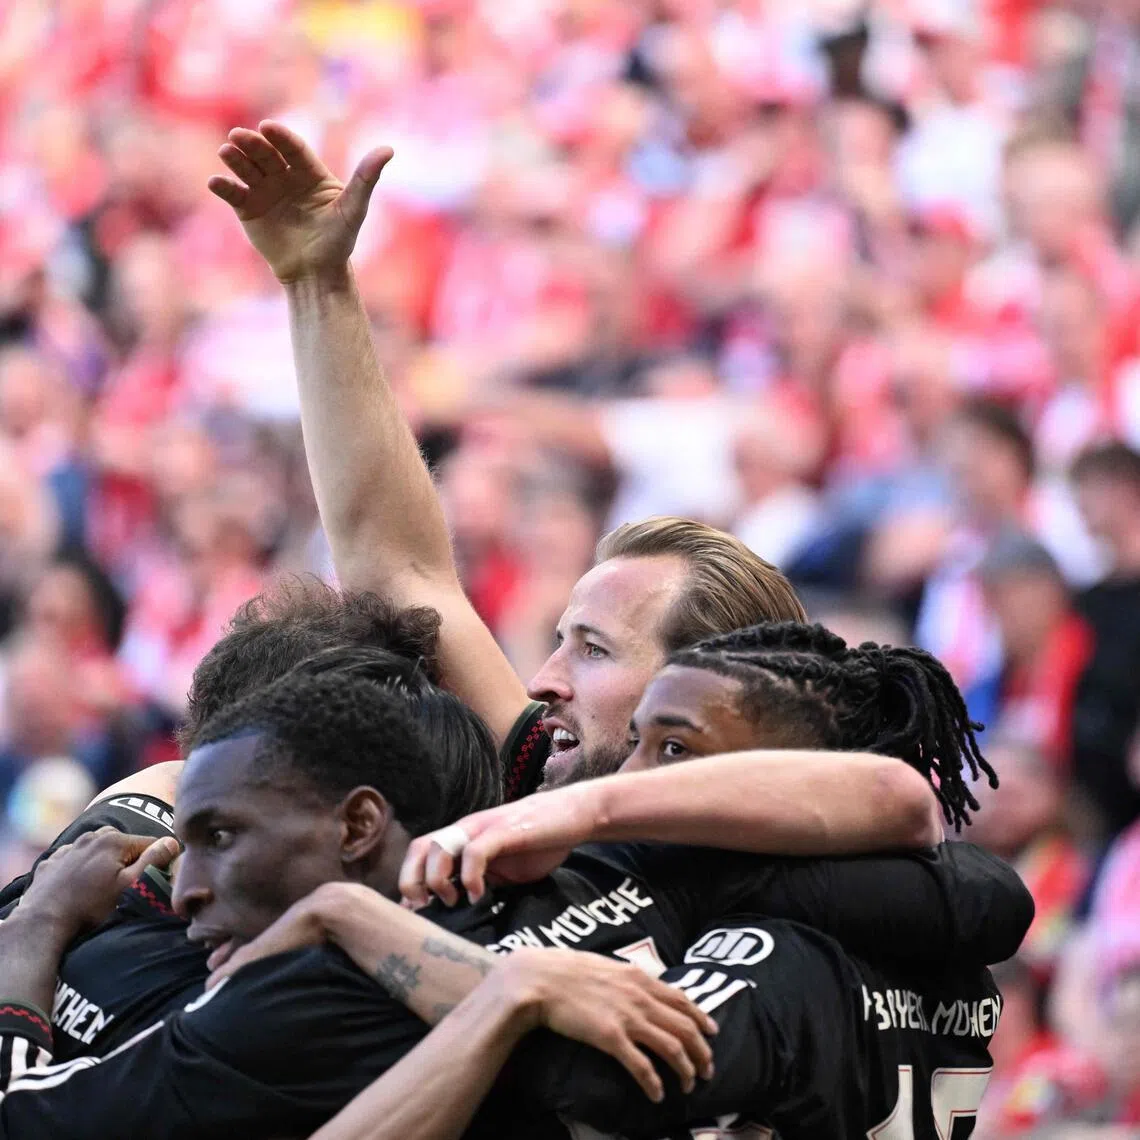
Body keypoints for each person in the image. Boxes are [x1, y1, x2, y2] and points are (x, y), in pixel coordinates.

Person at [0, 667, 1032, 1138]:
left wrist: (37, 925)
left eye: (221, 837)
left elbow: (917, 823)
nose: (185, 883)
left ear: (358, 824)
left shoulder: (280, 1005)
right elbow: (965, 872)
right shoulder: (647, 877)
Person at [206, 120, 811, 798]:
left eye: (594, 650)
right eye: (563, 642)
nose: (543, 680)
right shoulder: (542, 780)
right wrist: (316, 282)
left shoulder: (814, 858)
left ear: (709, 696)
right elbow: (399, 571)